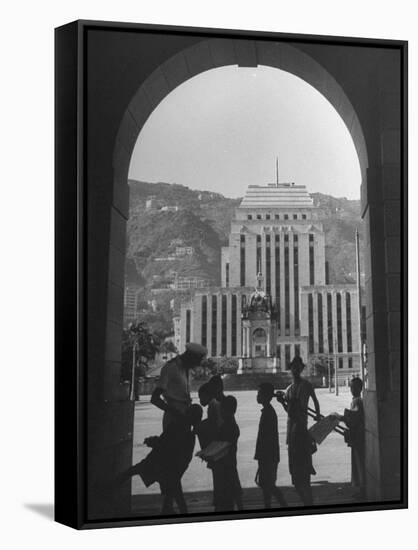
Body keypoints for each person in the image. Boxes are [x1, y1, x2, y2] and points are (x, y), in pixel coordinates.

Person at [130, 404, 203, 515]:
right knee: (177, 495)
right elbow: (183, 456)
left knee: (134, 470)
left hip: (164, 465)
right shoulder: (190, 434)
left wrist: (152, 441)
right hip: (173, 469)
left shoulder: (178, 426)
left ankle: (111, 485)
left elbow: (165, 443)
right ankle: (169, 509)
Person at [276, 356, 320, 506]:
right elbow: (289, 410)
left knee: (303, 468)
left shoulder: (306, 385)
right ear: (291, 369)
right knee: (295, 470)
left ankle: (308, 500)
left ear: (301, 369)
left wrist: (318, 416)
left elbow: (315, 400)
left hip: (301, 427)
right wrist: (283, 402)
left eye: (298, 367)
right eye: (293, 367)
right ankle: (304, 495)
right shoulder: (289, 389)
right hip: (292, 428)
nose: (295, 370)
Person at [151, 343, 207, 430]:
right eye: (195, 362)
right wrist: (172, 411)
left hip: (186, 415)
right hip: (173, 419)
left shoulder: (186, 369)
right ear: (190, 357)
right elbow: (154, 398)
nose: (195, 366)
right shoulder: (170, 367)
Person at [254, 383, 287, 508]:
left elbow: (266, 438)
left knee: (267, 484)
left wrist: (261, 457)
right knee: (266, 484)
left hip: (268, 455)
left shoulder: (268, 413)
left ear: (265, 396)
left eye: (259, 393)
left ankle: (281, 505)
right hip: (268, 455)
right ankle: (269, 506)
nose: (257, 396)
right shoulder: (268, 411)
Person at [211, 395, 243, 511]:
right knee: (235, 491)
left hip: (224, 465)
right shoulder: (232, 425)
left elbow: (220, 446)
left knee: (225, 497)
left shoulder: (226, 426)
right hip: (231, 463)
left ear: (224, 410)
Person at [336, 377, 365, 499]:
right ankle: (361, 489)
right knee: (359, 463)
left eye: (354, 387)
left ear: (360, 388)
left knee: (359, 464)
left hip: (358, 437)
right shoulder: (357, 400)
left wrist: (341, 418)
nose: (352, 389)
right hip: (357, 436)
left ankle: (362, 490)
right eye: (351, 387)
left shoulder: (357, 401)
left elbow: (353, 418)